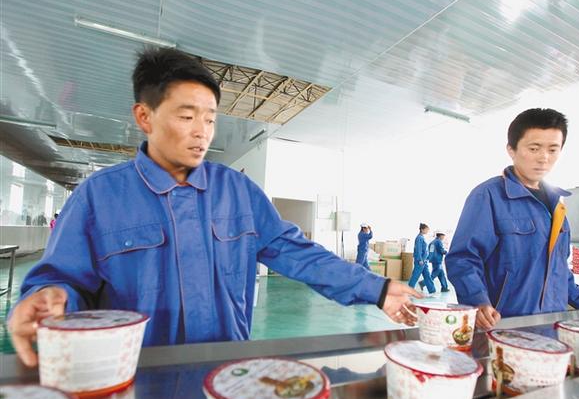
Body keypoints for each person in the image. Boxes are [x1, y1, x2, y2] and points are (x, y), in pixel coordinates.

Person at [8, 48, 420, 367]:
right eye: (187, 116)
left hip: (226, 373)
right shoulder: (99, 197)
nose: (201, 133)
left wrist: (377, 289)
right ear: (145, 117)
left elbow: (296, 253)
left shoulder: (237, 191)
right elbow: (61, 280)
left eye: (210, 119)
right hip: (134, 378)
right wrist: (49, 297)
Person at [446, 108, 579, 330]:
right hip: (503, 325)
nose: (544, 158)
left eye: (553, 149)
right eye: (534, 148)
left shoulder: (557, 205)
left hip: (552, 323)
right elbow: (463, 259)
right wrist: (478, 302)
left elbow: (558, 268)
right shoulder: (489, 196)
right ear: (511, 150)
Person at [408, 223, 435, 294]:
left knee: (427, 276)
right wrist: (420, 260)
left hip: (424, 261)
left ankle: (432, 290)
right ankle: (409, 290)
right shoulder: (419, 238)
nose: (427, 231)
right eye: (426, 229)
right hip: (420, 261)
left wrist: (426, 258)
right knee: (415, 276)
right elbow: (418, 249)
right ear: (422, 229)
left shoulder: (422, 237)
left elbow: (425, 250)